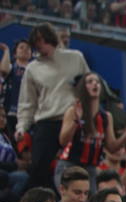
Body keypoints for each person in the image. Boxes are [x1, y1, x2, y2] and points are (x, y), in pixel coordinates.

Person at [16, 23, 89, 190]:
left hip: (73, 121)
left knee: (74, 170)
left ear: (51, 38)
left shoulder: (75, 58)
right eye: (36, 42)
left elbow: (88, 86)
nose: (40, 45)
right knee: (38, 169)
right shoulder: (32, 69)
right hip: (46, 122)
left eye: (43, 40)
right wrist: (22, 126)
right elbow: (27, 102)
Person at [56, 71, 126, 189]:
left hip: (90, 169)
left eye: (97, 82)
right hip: (70, 165)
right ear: (83, 87)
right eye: (90, 81)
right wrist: (76, 121)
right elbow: (63, 141)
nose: (95, 84)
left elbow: (112, 147)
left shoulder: (106, 117)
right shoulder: (73, 111)